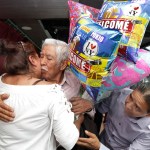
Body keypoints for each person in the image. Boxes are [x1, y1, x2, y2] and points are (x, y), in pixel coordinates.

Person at [0, 40, 83, 150]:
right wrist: (78, 120)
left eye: (48, 58)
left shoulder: (2, 80)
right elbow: (68, 141)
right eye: (41, 56)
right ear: (32, 59)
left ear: (63, 65)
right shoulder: (52, 92)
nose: (43, 62)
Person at [77, 83, 150, 150]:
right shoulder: (120, 94)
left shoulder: (147, 133)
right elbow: (99, 107)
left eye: (137, 107)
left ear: (148, 115)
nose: (128, 105)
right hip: (100, 139)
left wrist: (99, 147)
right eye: (131, 97)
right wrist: (89, 105)